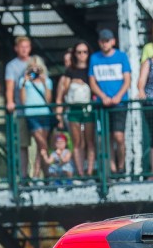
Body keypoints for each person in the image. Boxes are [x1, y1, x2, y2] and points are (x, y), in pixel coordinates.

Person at [89, 30, 132, 176]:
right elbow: (92, 82)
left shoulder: (121, 56)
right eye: (102, 41)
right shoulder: (94, 58)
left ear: (113, 41)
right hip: (102, 104)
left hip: (120, 103)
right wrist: (103, 97)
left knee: (119, 136)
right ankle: (112, 169)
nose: (104, 44)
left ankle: (121, 166)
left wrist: (118, 96)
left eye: (107, 41)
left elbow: (127, 80)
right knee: (106, 137)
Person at [55, 41, 95, 177]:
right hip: (74, 109)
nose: (82, 55)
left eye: (85, 52)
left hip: (88, 108)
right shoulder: (70, 71)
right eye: (79, 52)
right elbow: (63, 92)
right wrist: (73, 83)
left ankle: (90, 172)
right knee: (77, 142)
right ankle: (80, 173)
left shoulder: (91, 69)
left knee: (90, 141)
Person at [4, 36, 35, 178]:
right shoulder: (11, 66)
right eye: (22, 47)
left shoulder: (35, 62)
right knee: (23, 144)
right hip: (22, 110)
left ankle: (39, 175)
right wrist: (10, 101)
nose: (24, 49)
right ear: (16, 48)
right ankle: (23, 175)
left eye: (27, 46)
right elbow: (9, 86)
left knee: (40, 143)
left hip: (37, 109)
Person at [19, 56, 54, 179]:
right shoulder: (24, 81)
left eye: (37, 68)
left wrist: (44, 83)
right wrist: (24, 82)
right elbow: (23, 101)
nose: (34, 70)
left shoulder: (47, 81)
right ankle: (42, 172)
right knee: (42, 143)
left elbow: (48, 101)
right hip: (31, 114)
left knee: (41, 147)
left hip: (45, 114)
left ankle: (41, 174)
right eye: (31, 68)